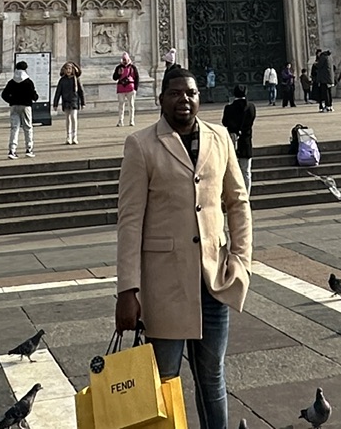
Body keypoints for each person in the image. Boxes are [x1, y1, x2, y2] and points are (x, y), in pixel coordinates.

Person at [116, 67, 251, 429]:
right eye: (175, 93)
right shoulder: (141, 144)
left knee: (213, 377)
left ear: (199, 96)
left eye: (190, 93)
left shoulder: (219, 137)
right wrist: (127, 290)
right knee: (165, 379)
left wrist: (241, 261)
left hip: (212, 281)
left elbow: (238, 202)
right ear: (161, 99)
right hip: (165, 286)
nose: (184, 100)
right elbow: (129, 221)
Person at [2, 60, 39, 159]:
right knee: (28, 127)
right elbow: (33, 94)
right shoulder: (28, 82)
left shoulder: (11, 82)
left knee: (14, 128)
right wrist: (35, 97)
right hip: (26, 106)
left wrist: (11, 100)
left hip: (14, 106)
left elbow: (4, 94)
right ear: (25, 69)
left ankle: (12, 150)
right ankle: (29, 149)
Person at [222, 85, 257, 187]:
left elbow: (224, 122)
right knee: (246, 172)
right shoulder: (251, 107)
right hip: (245, 141)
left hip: (232, 141)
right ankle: (246, 196)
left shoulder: (229, 108)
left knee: (231, 170)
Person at [55, 62, 84, 145]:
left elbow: (81, 91)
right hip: (66, 101)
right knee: (68, 118)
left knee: (73, 117)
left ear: (72, 70)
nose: (68, 70)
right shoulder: (62, 80)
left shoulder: (76, 79)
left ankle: (75, 136)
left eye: (70, 69)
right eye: (66, 69)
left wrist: (83, 102)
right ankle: (68, 136)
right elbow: (58, 92)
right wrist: (55, 103)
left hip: (74, 100)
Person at [113, 53, 142, 126]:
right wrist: (119, 74)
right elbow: (114, 78)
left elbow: (137, 77)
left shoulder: (132, 67)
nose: (124, 61)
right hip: (121, 88)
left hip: (130, 88)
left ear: (128, 59)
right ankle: (120, 121)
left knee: (131, 105)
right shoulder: (118, 67)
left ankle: (131, 120)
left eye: (125, 60)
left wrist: (135, 88)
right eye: (123, 60)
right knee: (121, 105)